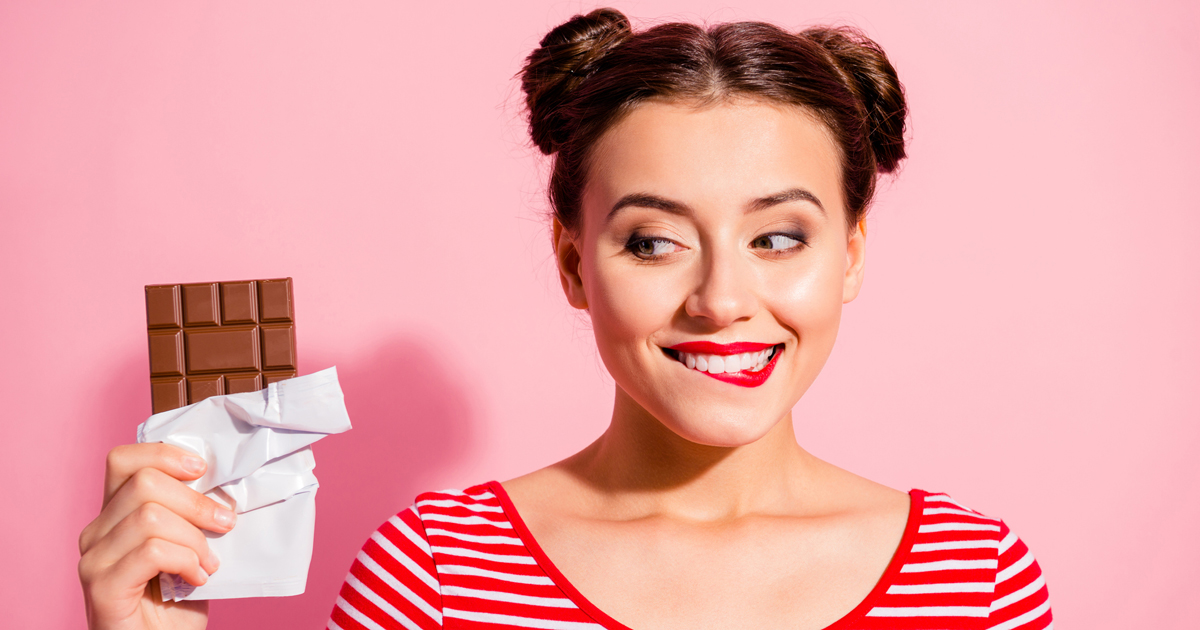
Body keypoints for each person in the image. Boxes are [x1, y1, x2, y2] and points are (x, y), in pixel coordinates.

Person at [79, 8, 1052, 630]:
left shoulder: (978, 582)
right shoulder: (432, 578)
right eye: (653, 242)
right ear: (573, 263)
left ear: (853, 256)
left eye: (779, 238)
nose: (720, 300)